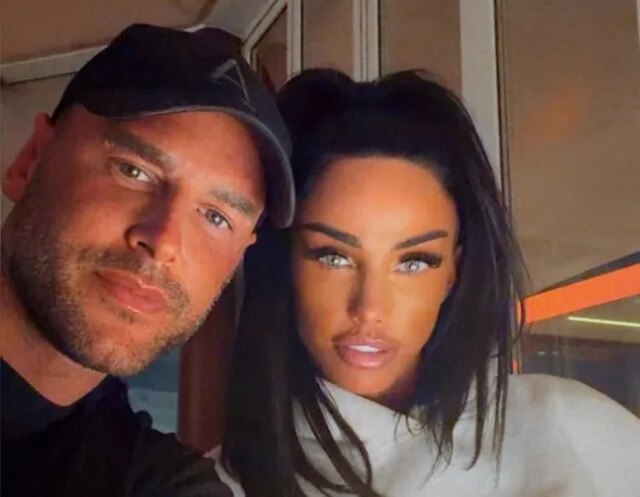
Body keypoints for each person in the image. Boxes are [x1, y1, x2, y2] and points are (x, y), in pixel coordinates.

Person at [213, 69, 640, 497]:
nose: (370, 308)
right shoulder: (218, 485)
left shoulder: (571, 433)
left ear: (454, 270)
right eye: (334, 256)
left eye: (414, 262)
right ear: (285, 262)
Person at [1, 24, 294, 497]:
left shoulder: (155, 482)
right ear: (30, 161)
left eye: (216, 217)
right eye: (133, 171)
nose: (164, 242)